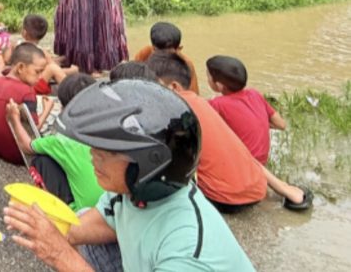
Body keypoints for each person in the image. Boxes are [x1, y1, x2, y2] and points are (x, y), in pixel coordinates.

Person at [4, 78, 257, 272]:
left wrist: (59, 254)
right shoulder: (132, 192)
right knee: (78, 217)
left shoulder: (186, 247)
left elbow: (63, 254)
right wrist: (55, 231)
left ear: (149, 163)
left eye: (105, 151)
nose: (93, 155)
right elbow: (101, 221)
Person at [147, 53, 312, 213]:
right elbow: (279, 125)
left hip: (226, 199)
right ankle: (287, 190)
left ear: (174, 86)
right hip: (257, 187)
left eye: (155, 85)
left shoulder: (181, 110)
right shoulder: (203, 103)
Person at [7, 73, 104, 211]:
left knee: (41, 160)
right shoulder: (107, 129)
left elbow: (26, 146)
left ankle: (56, 211)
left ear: (65, 108)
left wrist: (14, 118)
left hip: (83, 217)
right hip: (113, 214)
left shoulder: (63, 140)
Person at [0, 43, 48, 165]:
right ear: (21, 67)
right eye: (37, 72)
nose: (40, 77)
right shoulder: (27, 92)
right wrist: (46, 110)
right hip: (19, 156)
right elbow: (34, 132)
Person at [206, 55, 285, 165]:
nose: (207, 80)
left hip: (243, 165)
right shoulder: (254, 94)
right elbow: (281, 124)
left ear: (219, 86)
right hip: (262, 162)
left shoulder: (217, 104)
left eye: (208, 77)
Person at [3, 14, 78, 95]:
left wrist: (9, 47)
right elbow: (54, 68)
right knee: (52, 68)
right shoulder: (42, 52)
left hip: (20, 80)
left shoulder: (17, 46)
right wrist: (72, 71)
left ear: (24, 32)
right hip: (32, 85)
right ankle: (72, 92)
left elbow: (7, 59)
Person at [132, 22, 200, 95]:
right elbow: (133, 77)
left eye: (167, 53)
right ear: (153, 48)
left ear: (178, 49)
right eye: (159, 52)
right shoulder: (144, 54)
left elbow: (193, 95)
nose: (162, 57)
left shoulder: (186, 65)